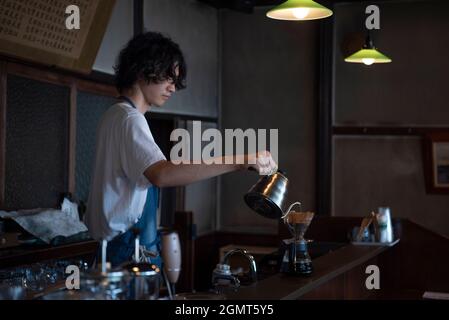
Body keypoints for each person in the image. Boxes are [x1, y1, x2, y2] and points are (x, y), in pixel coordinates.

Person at [84, 31, 277, 268]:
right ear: (143, 69)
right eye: (168, 78)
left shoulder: (114, 114)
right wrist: (240, 160)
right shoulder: (130, 119)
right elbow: (162, 174)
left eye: (175, 82)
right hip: (123, 251)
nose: (173, 88)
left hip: (111, 248)